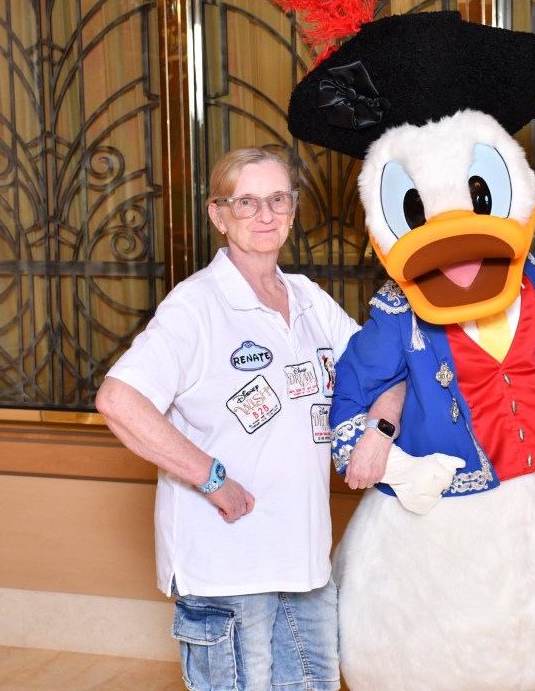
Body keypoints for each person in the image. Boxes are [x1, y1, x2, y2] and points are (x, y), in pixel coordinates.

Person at [95, 146, 401, 691]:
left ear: (293, 209)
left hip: (305, 564)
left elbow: (387, 369)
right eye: (246, 202)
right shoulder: (196, 306)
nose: (265, 214)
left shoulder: (308, 299)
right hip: (227, 568)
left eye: (277, 199)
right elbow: (119, 400)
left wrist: (380, 430)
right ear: (218, 214)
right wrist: (210, 477)